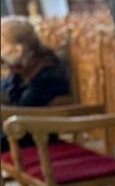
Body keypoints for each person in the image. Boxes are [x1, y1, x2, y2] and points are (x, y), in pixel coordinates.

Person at [1, 16, 71, 151]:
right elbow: (5, 90)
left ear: (18, 49)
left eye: (2, 45)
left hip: (36, 137)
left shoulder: (47, 73)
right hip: (17, 131)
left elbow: (24, 110)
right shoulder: (21, 67)